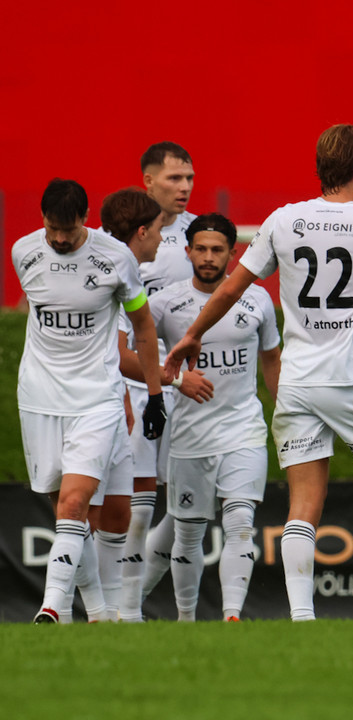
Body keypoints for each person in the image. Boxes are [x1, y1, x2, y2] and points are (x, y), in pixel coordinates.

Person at [164, 124, 353, 620]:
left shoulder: (284, 220)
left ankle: (302, 618)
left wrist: (194, 333)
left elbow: (231, 287)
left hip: (298, 382)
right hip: (352, 377)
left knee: (304, 503)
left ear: (321, 169)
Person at [12, 179, 165, 623]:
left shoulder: (115, 259)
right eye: (52, 228)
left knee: (75, 505)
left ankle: (50, 608)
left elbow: (142, 325)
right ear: (42, 220)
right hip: (39, 399)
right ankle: (99, 614)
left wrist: (155, 393)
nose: (60, 238)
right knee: (72, 517)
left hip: (96, 399)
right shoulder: (23, 252)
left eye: (69, 229)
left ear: (85, 219)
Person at [150, 213, 280, 622]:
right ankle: (186, 621)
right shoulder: (164, 303)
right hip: (189, 437)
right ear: (187, 251)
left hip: (244, 430)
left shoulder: (258, 300)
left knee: (241, 522)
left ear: (233, 254)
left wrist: (285, 413)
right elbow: (132, 356)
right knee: (188, 533)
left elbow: (272, 360)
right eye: (201, 249)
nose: (208, 257)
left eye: (217, 250)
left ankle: (231, 617)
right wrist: (177, 380)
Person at [93, 188, 213, 622]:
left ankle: (122, 607)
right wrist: (173, 380)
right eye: (159, 231)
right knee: (118, 509)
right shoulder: (115, 268)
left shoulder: (127, 267)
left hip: (153, 389)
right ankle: (118, 610)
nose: (165, 241)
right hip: (124, 393)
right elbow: (120, 353)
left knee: (179, 506)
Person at [120, 142, 198, 621]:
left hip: (183, 385)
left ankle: (131, 601)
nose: (184, 187)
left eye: (189, 178)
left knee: (190, 504)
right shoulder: (119, 236)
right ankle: (123, 608)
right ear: (148, 181)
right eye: (174, 178)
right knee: (136, 503)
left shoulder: (199, 236)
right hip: (132, 382)